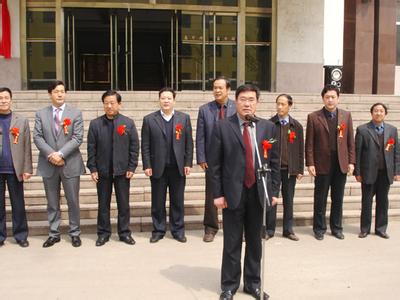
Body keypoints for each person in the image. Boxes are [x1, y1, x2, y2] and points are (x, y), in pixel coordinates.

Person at [209, 84, 280, 300]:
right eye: (243, 99)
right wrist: (217, 194)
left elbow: (275, 162)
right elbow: (215, 165)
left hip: (258, 191)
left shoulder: (267, 128)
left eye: (251, 100)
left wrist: (274, 190)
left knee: (255, 241)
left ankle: (253, 283)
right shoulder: (222, 126)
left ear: (257, 102)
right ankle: (229, 286)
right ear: (235, 101)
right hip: (232, 193)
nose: (247, 103)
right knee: (231, 241)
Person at [33, 80, 85, 248]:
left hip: (69, 163)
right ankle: (54, 233)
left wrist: (61, 154)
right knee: (52, 202)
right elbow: (38, 137)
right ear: (50, 94)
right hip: (49, 164)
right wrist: (51, 155)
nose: (60, 94)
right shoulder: (41, 114)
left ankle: (75, 232)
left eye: (62, 91)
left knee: (73, 200)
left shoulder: (75, 113)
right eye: (56, 91)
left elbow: (77, 137)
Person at [87, 90, 139, 246]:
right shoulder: (95, 124)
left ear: (119, 104)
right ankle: (103, 233)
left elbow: (134, 147)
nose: (109, 106)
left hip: (122, 171)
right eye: (106, 103)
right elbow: (91, 148)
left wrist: (132, 166)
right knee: (103, 204)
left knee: (123, 204)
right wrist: (93, 168)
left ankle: (124, 233)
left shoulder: (127, 123)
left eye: (112, 103)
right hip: (103, 171)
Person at [141, 87, 193, 243]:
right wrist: (147, 165)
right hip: (157, 167)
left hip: (178, 167)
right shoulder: (149, 119)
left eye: (169, 98)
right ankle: (158, 230)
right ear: (159, 100)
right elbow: (145, 145)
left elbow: (189, 143)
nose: (166, 101)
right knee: (158, 201)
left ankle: (178, 230)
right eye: (163, 98)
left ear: (174, 100)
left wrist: (188, 163)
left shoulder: (184, 118)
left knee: (177, 200)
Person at [305, 84, 355, 240]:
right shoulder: (314, 117)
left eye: (333, 97)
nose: (330, 100)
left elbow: (350, 141)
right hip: (321, 163)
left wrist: (351, 162)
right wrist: (310, 163)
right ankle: (319, 228)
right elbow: (310, 143)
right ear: (323, 99)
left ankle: (336, 228)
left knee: (338, 198)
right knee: (320, 198)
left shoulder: (346, 116)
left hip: (341, 163)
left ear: (338, 98)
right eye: (327, 97)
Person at [196, 76, 236, 242]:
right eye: (214, 87)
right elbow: (200, 136)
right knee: (211, 194)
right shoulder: (205, 109)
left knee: (234, 193)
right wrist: (201, 157)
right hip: (212, 160)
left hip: (233, 158)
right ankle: (210, 227)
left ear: (228, 90)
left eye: (220, 87)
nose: (217, 90)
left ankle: (233, 227)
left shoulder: (236, 107)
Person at [354, 103, 400, 239]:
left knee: (383, 201)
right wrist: (358, 172)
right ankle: (365, 229)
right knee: (366, 201)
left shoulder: (392, 130)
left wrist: (397, 171)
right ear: (371, 113)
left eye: (381, 111)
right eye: (376, 111)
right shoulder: (362, 129)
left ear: (385, 113)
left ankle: (381, 228)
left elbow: (396, 152)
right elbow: (358, 152)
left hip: (385, 173)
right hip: (368, 172)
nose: (378, 113)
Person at [267, 94, 304, 241]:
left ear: (290, 105)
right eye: (278, 104)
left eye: (283, 104)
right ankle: (269, 229)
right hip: (273, 170)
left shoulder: (297, 126)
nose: (280, 107)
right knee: (272, 199)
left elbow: (300, 149)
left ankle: (288, 230)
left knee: (289, 200)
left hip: (290, 170)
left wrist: (300, 168)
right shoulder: (270, 124)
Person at [0, 87, 33, 248]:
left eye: (6, 98)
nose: (3, 101)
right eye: (0, 98)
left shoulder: (21, 120)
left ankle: (20, 235)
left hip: (15, 168)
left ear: (11, 100)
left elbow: (27, 146)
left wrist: (27, 168)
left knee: (18, 203)